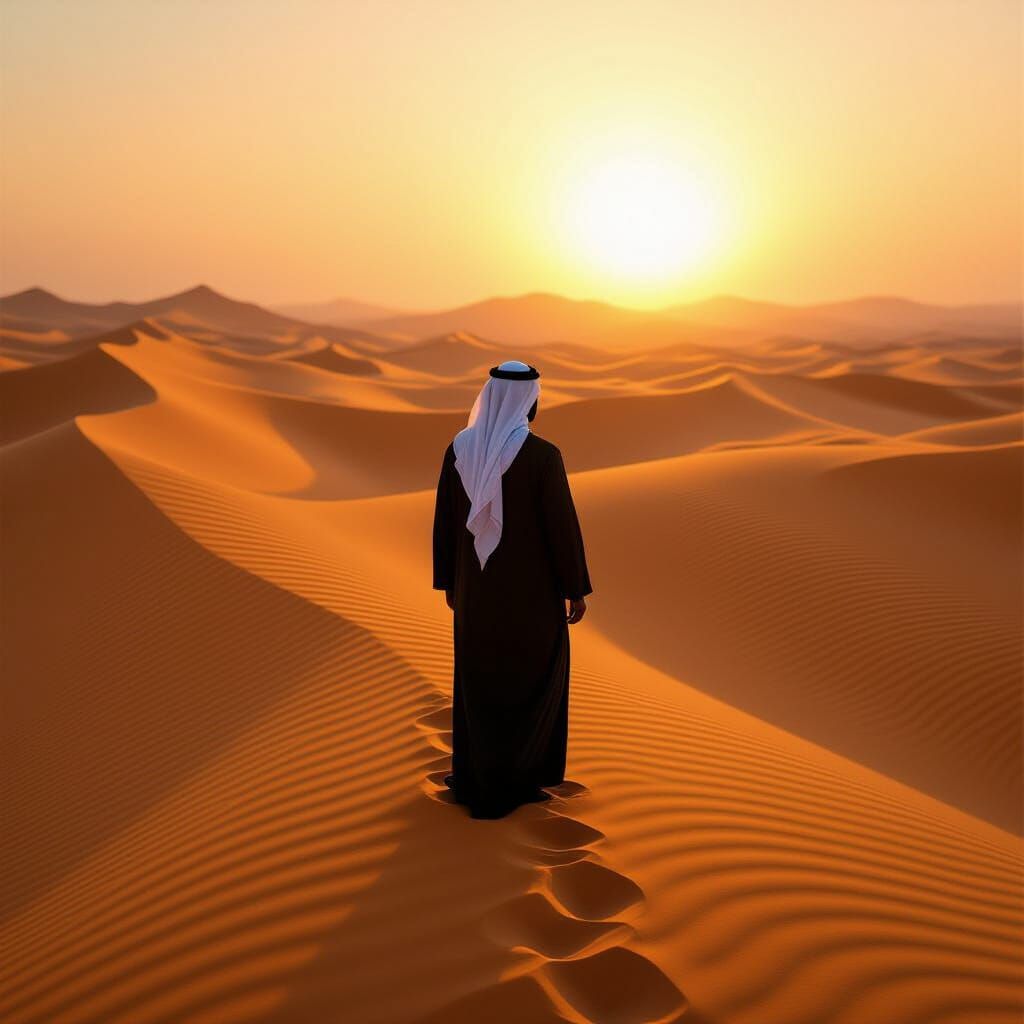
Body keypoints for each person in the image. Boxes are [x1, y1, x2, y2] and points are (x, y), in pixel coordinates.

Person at [432, 359, 593, 819]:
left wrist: (449, 582)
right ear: (529, 400)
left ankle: (475, 776)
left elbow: (445, 522)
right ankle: (519, 781)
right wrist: (574, 587)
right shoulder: (543, 456)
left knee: (478, 680)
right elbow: (561, 527)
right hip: (531, 598)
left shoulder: (459, 449)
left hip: (475, 595)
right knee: (533, 678)